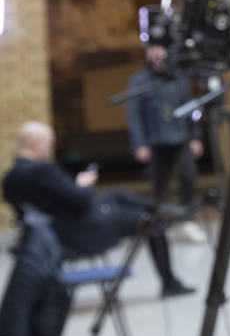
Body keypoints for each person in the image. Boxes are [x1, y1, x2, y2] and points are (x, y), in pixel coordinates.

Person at [2, 121, 194, 298]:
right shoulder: (43, 170)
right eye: (48, 144)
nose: (49, 148)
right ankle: (169, 282)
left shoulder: (10, 178)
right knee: (152, 221)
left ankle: (168, 209)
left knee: (116, 194)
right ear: (36, 143)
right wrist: (82, 185)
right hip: (81, 231)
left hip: (56, 228)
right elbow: (81, 202)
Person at [125, 44, 205, 243]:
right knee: (159, 185)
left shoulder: (179, 79)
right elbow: (134, 116)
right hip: (156, 141)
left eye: (161, 49)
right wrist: (139, 144)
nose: (157, 55)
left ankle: (188, 220)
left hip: (180, 139)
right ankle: (160, 225)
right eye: (152, 50)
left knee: (188, 177)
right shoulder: (140, 80)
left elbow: (190, 109)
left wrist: (195, 136)